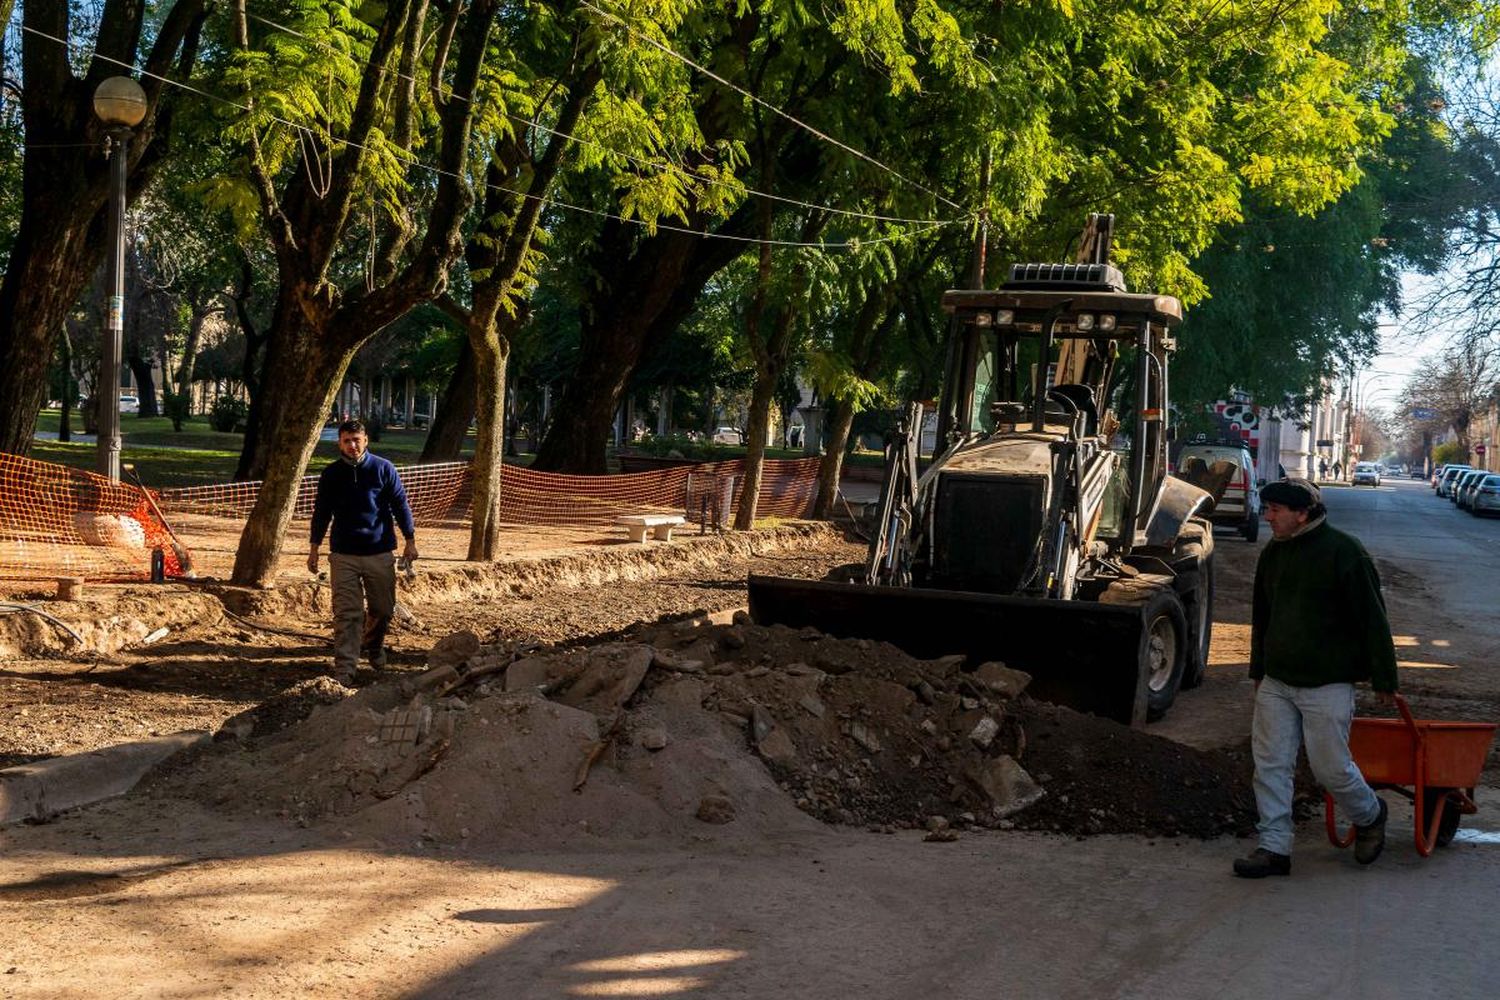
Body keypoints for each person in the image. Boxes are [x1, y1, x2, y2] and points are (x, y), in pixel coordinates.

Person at [1233, 478, 1398, 878]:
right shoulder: (1274, 553)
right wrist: (1259, 669)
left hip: (1327, 683)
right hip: (1278, 680)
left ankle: (1370, 814)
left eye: (1275, 510)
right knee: (1270, 764)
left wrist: (1384, 677)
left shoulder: (1344, 552)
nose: (1268, 517)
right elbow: (1263, 616)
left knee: (1330, 768)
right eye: (1267, 508)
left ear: (1302, 514)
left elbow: (1372, 618)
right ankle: (1274, 847)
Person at [308, 419, 418, 683]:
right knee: (347, 613)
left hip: (379, 551)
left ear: (366, 440)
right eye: (347, 440)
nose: (352, 445)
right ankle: (345, 668)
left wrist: (410, 539)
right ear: (340, 443)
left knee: (383, 609)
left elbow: (400, 505)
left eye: (356, 440)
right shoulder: (331, 474)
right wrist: (314, 548)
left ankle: (374, 645)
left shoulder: (383, 469)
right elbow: (321, 512)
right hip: (343, 553)